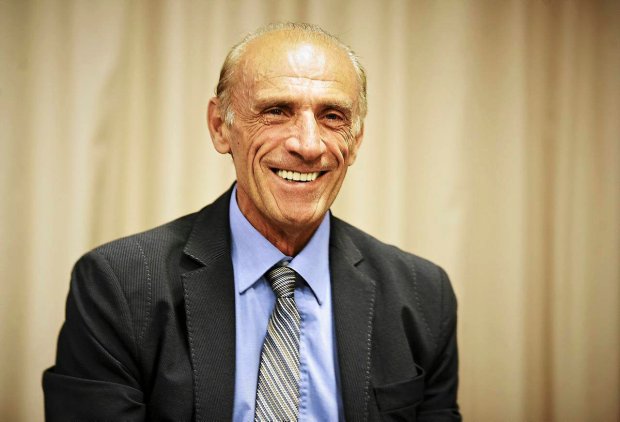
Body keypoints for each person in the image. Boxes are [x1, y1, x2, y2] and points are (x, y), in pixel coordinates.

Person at [43, 22, 461, 421]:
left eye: (333, 116)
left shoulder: (424, 296)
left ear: (356, 140)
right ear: (219, 127)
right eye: (277, 111)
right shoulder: (119, 285)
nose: (308, 145)